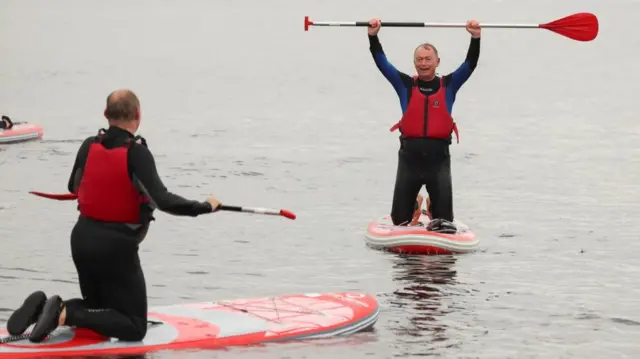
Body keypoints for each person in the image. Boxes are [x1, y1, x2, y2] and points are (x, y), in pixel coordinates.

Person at [6, 89, 222, 343]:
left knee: (98, 305)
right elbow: (163, 201)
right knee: (133, 326)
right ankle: (63, 313)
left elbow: (73, 187)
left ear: (106, 115)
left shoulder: (89, 145)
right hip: (116, 247)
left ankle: (44, 308)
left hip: (82, 239)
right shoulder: (136, 153)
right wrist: (205, 206)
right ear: (138, 115)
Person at [367, 17, 481, 228]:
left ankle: (431, 203)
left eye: (428, 59)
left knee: (444, 222)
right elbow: (382, 63)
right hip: (410, 159)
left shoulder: (450, 85)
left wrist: (475, 37)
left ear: (437, 61)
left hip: (438, 161)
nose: (423, 63)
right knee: (399, 220)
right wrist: (373, 37)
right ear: (414, 62)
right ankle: (415, 203)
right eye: (419, 59)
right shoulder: (405, 85)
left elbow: (470, 64)